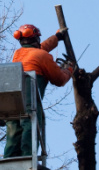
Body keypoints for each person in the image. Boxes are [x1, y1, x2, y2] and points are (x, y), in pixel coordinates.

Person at [4, 24, 73, 158]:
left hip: (13, 98)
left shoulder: (18, 54)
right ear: (36, 39)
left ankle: (9, 159)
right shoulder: (42, 56)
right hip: (30, 97)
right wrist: (69, 70)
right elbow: (59, 80)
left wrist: (57, 37)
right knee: (31, 124)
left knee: (13, 127)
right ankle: (28, 158)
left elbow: (40, 50)